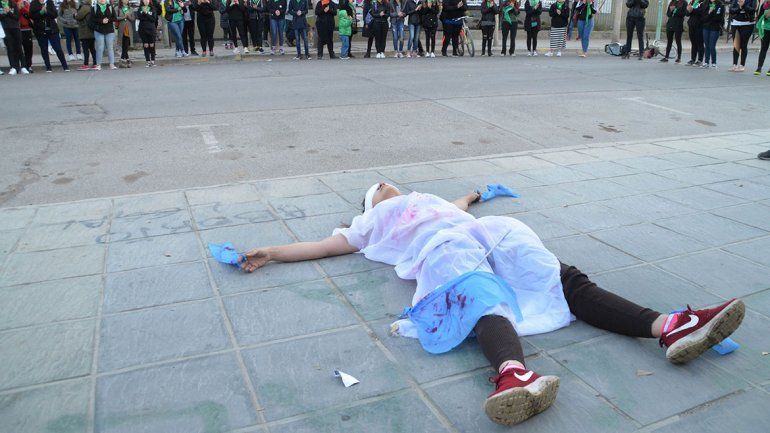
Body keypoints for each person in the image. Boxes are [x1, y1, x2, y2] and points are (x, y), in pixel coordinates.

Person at [238, 183, 746, 426]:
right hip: (443, 254)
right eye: (378, 191)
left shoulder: (431, 200)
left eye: (389, 184)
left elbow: (460, 205)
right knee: (480, 297)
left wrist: (476, 193)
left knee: (559, 275)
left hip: (486, 232)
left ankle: (671, 326)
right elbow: (327, 246)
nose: (388, 186)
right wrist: (273, 252)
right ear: (371, 206)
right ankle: (513, 374)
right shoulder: (371, 225)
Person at [29, 0, 69, 72]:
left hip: (52, 30)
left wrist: (46, 11)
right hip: (40, 30)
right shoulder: (34, 3)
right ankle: (48, 67)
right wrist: (41, 12)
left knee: (57, 48)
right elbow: (32, 16)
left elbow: (54, 14)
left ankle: (65, 66)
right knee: (44, 49)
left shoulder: (49, 2)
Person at [729, 0, 756, 72]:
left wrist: (743, 5)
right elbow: (731, 10)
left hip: (747, 24)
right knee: (736, 44)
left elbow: (752, 10)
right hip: (735, 23)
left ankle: (742, 65)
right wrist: (740, 8)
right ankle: (734, 64)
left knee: (743, 45)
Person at [1, 0, 24, 75]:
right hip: (5, 29)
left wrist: (9, 12)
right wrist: (4, 12)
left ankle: (23, 67)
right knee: (10, 48)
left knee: (19, 47)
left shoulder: (13, 3)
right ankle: (13, 67)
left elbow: (17, 17)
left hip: (15, 28)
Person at [703, 0, 724, 67]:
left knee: (712, 45)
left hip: (715, 27)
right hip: (706, 27)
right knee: (706, 45)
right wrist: (709, 13)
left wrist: (712, 12)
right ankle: (706, 62)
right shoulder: (706, 3)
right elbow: (704, 17)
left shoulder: (720, 5)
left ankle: (714, 62)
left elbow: (719, 18)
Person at [74, 0, 94, 70]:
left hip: (85, 31)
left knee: (86, 49)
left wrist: (75, 15)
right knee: (92, 48)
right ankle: (95, 63)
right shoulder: (90, 7)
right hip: (91, 31)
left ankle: (86, 64)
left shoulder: (85, 7)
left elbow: (78, 16)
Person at [137, 0, 157, 66]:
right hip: (143, 29)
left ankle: (153, 60)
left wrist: (146, 14)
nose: (146, 1)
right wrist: (144, 14)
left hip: (151, 29)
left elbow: (153, 19)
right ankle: (148, 61)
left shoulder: (152, 8)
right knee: (146, 45)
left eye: (147, 0)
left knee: (152, 44)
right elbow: (140, 17)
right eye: (144, 0)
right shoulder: (140, 9)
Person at [116, 0, 135, 68]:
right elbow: (115, 18)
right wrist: (124, 17)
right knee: (123, 45)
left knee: (126, 45)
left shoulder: (131, 8)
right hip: (121, 28)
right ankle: (127, 60)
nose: (126, 0)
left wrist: (128, 17)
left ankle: (122, 60)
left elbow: (133, 19)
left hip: (128, 29)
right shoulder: (117, 8)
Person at [686, 0, 705, 65]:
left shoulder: (704, 2)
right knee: (693, 43)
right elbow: (687, 13)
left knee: (700, 43)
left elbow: (702, 12)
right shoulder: (693, 2)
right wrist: (689, 10)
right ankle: (693, 59)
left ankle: (700, 60)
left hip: (699, 25)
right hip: (691, 25)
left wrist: (693, 10)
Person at [18, 0, 33, 73]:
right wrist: (18, 8)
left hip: (27, 29)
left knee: (28, 49)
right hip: (17, 29)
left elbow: (30, 14)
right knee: (17, 49)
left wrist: (22, 8)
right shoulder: (12, 3)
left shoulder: (26, 2)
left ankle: (28, 65)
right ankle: (18, 66)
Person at [756, 0, 770, 75]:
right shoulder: (764, 6)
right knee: (763, 48)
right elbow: (759, 18)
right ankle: (759, 67)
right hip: (765, 29)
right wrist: (765, 17)